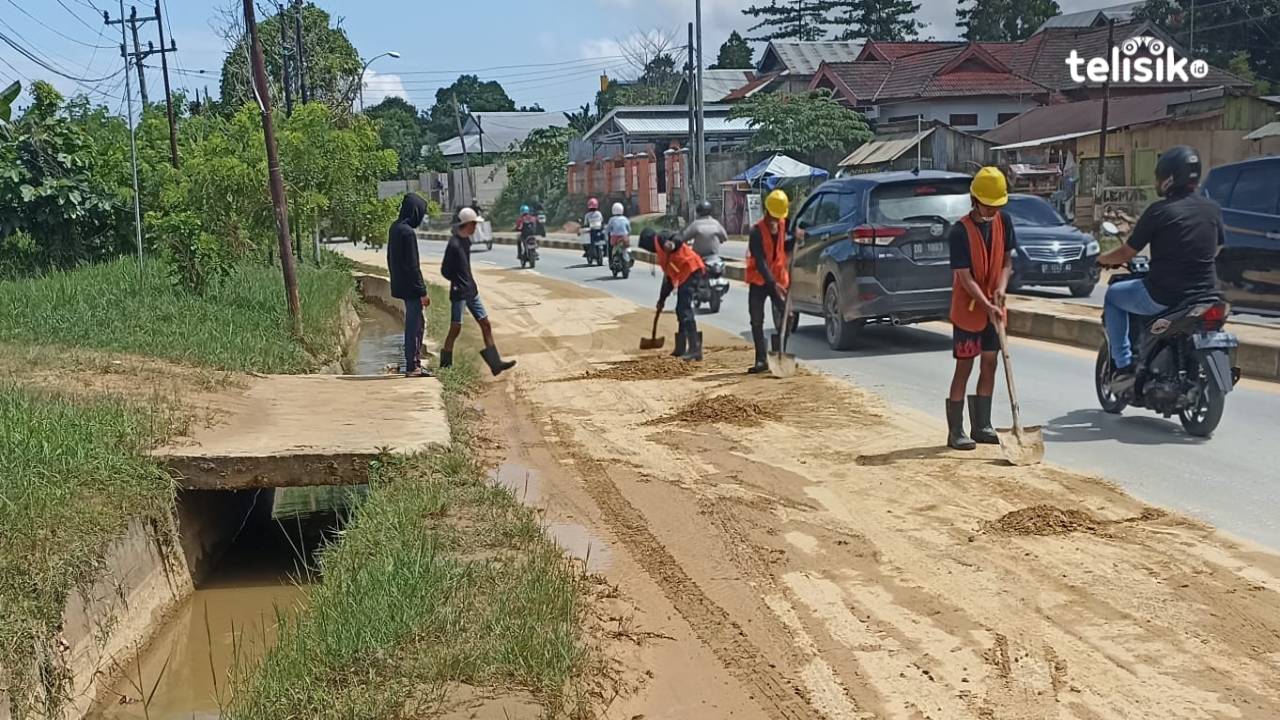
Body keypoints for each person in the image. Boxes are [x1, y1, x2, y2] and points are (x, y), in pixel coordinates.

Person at [1096, 145, 1223, 389]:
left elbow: (1127, 251)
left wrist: (1102, 259)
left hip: (1164, 294)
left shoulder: (1160, 211)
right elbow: (1218, 248)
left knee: (1113, 295)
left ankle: (1123, 367)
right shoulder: (1212, 209)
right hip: (1207, 293)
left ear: (1169, 178)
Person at [946, 167, 1018, 451]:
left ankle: (982, 425)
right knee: (964, 366)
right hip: (969, 308)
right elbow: (964, 277)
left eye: (997, 206)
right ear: (975, 200)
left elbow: (1007, 262)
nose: (993, 210)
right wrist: (985, 304)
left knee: (990, 362)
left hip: (994, 307)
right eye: (989, 205)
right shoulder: (959, 232)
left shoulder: (1005, 221)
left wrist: (1000, 289)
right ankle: (955, 431)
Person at [440, 207, 517, 376]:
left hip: (471, 290)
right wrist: (457, 282)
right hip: (459, 292)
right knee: (456, 328)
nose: (475, 228)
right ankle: (445, 364)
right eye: (474, 224)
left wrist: (468, 282)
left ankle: (495, 364)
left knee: (485, 324)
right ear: (467, 224)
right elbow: (445, 270)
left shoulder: (466, 241)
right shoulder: (453, 244)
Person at [638, 228, 706, 361]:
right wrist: (661, 299)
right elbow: (668, 280)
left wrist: (673, 244)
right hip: (684, 274)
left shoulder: (662, 238)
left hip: (692, 269)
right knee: (681, 310)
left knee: (684, 309)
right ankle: (680, 348)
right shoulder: (662, 254)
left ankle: (695, 349)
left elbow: (678, 236)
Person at [744, 189, 793, 374]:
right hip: (759, 280)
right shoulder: (755, 232)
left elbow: (785, 245)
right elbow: (761, 262)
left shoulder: (784, 224)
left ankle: (779, 353)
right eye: (773, 217)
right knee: (756, 320)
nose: (776, 221)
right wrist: (774, 286)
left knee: (788, 316)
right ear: (767, 212)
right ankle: (761, 360)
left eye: (778, 217)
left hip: (779, 279)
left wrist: (798, 238)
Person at [386, 193, 431, 378]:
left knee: (414, 323)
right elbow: (413, 266)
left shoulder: (395, 228)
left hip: (400, 283)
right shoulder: (408, 233)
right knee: (415, 325)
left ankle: (414, 363)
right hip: (411, 287)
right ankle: (413, 366)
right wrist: (422, 292)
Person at [606, 201, 633, 267]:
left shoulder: (611, 219)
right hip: (624, 237)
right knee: (627, 247)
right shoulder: (625, 219)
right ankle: (630, 257)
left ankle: (611, 261)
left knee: (610, 248)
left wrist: (606, 236)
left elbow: (607, 230)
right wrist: (628, 235)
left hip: (614, 239)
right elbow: (629, 229)